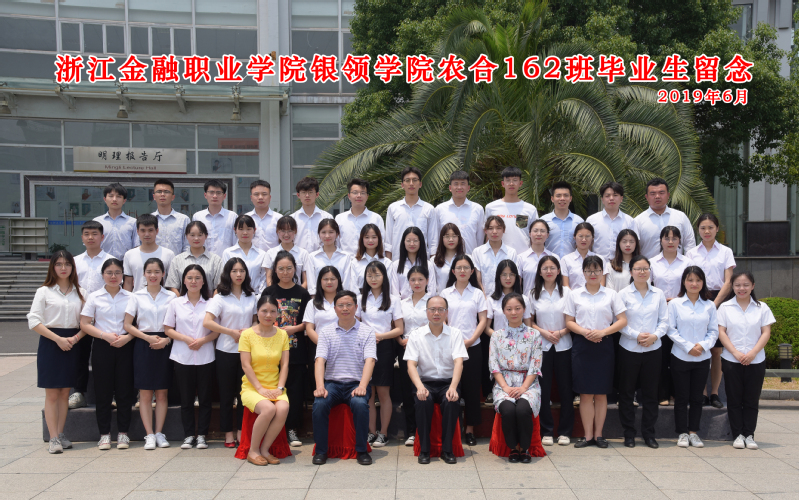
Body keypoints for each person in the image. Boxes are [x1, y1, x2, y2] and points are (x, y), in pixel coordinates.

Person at [564, 256, 628, 448]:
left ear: (602, 272)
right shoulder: (574, 294)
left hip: (604, 345)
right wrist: (585, 332)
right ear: (583, 273)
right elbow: (569, 321)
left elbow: (622, 320)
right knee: (585, 394)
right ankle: (588, 436)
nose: (593, 274)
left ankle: (599, 435)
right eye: (589, 271)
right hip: (582, 345)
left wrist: (603, 332)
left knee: (601, 394)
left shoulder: (611, 294)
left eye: (597, 270)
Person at [27, 250, 86, 454]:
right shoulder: (44, 291)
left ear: (73, 267)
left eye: (67, 264)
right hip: (51, 343)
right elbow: (34, 321)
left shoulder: (81, 292)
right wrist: (58, 339)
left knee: (65, 393)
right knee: (52, 393)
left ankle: (61, 434)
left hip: (72, 342)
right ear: (52, 267)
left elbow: (87, 322)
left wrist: (74, 338)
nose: (63, 268)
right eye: (59, 264)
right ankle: (53, 438)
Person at [312, 290, 377, 466]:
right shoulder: (326, 332)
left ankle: (361, 450)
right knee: (319, 404)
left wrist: (362, 386)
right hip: (332, 383)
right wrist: (320, 386)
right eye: (340, 305)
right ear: (335, 309)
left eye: (349, 305)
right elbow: (320, 360)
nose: (345, 308)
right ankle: (321, 451)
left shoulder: (367, 331)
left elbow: (370, 360)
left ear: (356, 307)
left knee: (360, 404)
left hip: (356, 383)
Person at [79, 258, 134, 451]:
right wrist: (104, 335)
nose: (113, 276)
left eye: (117, 272)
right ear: (102, 275)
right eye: (109, 272)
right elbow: (84, 324)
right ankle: (104, 434)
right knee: (103, 392)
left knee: (124, 391)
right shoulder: (95, 297)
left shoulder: (131, 297)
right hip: (103, 345)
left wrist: (127, 338)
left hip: (125, 346)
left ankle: (123, 433)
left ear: (122, 275)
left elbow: (138, 324)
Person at [405, 295, 468, 464]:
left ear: (447, 312)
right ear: (426, 312)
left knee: (451, 401)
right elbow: (411, 365)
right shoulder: (416, 335)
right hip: (424, 381)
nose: (436, 313)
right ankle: (425, 450)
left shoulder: (455, 334)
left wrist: (453, 387)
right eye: (432, 309)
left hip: (448, 382)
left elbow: (459, 362)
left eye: (441, 309)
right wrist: (419, 387)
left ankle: (447, 450)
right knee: (422, 401)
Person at [204, 257, 258, 448]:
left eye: (242, 270)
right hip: (225, 350)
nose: (238, 274)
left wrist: (249, 331)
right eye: (234, 271)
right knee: (226, 395)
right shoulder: (220, 297)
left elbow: (255, 320)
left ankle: (242, 432)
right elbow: (208, 322)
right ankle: (228, 433)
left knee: (244, 394)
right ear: (228, 273)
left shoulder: (251, 296)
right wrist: (231, 332)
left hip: (247, 351)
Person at [123, 257, 176, 451]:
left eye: (157, 272)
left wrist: (166, 340)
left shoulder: (171, 297)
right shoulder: (136, 296)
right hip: (143, 344)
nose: (153, 275)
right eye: (149, 272)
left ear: (163, 274)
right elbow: (127, 325)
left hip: (165, 343)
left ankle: (159, 432)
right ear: (144, 274)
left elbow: (177, 324)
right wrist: (147, 338)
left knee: (162, 393)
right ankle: (149, 434)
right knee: (145, 393)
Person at [717, 272, 775, 450]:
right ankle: (737, 435)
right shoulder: (725, 307)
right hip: (731, 359)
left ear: (753, 286)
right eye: (737, 285)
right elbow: (721, 332)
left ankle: (749, 434)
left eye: (746, 285)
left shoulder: (762, 308)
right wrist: (735, 353)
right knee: (734, 399)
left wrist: (752, 353)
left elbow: (766, 332)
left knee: (751, 399)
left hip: (756, 360)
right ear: (732, 287)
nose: (741, 288)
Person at [164, 264, 218, 450]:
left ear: (203, 281)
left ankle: (202, 435)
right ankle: (188, 435)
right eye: (189, 278)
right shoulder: (175, 303)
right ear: (184, 281)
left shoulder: (211, 304)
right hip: (182, 356)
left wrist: (203, 340)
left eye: (197, 278)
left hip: (206, 356)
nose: (193, 281)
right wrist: (186, 339)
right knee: (186, 399)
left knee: (205, 399)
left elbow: (216, 330)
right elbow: (168, 329)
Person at [617, 255, 668, 449]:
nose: (642, 272)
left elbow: (665, 321)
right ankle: (629, 434)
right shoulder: (623, 294)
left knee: (650, 394)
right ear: (631, 272)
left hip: (653, 349)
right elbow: (619, 322)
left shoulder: (658, 294)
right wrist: (636, 335)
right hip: (629, 348)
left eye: (645, 268)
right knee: (626, 393)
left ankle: (649, 434)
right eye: (638, 269)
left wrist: (654, 336)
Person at [686, 213, 736, 409]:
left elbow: (729, 282)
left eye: (710, 227)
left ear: (717, 229)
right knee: (700, 346)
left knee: (716, 349)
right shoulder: (691, 253)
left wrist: (714, 304)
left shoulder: (725, 251)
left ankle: (714, 393)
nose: (707, 231)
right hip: (697, 297)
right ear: (698, 230)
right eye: (703, 228)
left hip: (720, 299)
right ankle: (702, 393)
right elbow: (690, 279)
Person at [263, 250, 312, 448]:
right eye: (281, 268)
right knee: (274, 390)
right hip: (271, 352)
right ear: (275, 270)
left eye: (289, 268)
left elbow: (308, 322)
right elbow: (262, 318)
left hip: (296, 351)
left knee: (295, 392)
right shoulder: (269, 293)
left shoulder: (302, 293)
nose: (285, 272)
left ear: (295, 270)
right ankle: (274, 430)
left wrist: (295, 328)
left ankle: (292, 429)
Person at [667, 266, 718, 449]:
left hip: (702, 358)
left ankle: (693, 432)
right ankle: (682, 432)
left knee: (697, 398)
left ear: (703, 283)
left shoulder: (709, 305)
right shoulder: (675, 304)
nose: (694, 283)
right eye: (690, 280)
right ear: (684, 282)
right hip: (680, 356)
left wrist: (702, 346)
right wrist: (688, 347)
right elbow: (670, 329)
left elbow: (713, 331)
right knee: (681, 397)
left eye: (698, 280)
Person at [488, 293, 543, 463]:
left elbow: (535, 364)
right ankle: (513, 448)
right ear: (503, 311)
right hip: (504, 383)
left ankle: (524, 448)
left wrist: (524, 388)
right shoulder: (497, 336)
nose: (513, 312)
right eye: (509, 309)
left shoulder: (534, 335)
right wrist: (505, 387)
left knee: (523, 409)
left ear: (524, 309)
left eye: (517, 308)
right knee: (508, 410)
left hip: (528, 383)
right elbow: (494, 365)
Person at [441, 254, 488, 445]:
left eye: (466, 268)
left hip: (472, 346)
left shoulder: (477, 294)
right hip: (450, 347)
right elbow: (441, 319)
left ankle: (469, 430)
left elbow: (483, 320)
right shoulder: (445, 293)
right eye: (459, 268)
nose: (462, 271)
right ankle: (452, 428)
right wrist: (453, 339)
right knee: (451, 387)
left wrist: (471, 340)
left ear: (472, 271)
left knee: (471, 389)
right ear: (453, 271)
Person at [239, 294, 291, 465]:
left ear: (277, 313)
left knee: (283, 408)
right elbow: (246, 365)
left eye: (272, 311)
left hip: (275, 386)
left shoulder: (282, 335)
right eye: (264, 311)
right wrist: (260, 389)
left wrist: (280, 388)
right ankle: (253, 451)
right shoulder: (247, 335)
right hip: (252, 387)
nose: (268, 315)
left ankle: (265, 450)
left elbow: (284, 365)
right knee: (268, 409)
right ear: (257, 312)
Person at [357, 261, 404, 447]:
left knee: (383, 392)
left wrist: (380, 336)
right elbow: (356, 324)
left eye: (377, 275)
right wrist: (368, 336)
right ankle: (371, 432)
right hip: (364, 347)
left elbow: (399, 329)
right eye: (369, 275)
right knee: (368, 392)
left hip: (384, 347)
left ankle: (383, 433)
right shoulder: (360, 298)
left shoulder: (393, 299)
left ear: (384, 277)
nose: (373, 279)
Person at [529, 256, 573, 446]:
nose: (549, 271)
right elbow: (529, 321)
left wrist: (561, 332)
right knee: (543, 390)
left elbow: (573, 320)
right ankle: (546, 430)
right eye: (545, 268)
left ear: (558, 271)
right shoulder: (533, 293)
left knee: (566, 389)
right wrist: (544, 333)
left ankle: (565, 431)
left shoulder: (567, 293)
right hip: (542, 346)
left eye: (552, 268)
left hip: (564, 345)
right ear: (539, 272)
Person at [71, 221, 113, 410]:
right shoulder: (75, 261)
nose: (90, 237)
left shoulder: (111, 261)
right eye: (87, 234)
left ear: (102, 237)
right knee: (81, 355)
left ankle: (112, 394)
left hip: (106, 316)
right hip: (82, 316)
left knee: (108, 357)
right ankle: (79, 392)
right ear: (82, 237)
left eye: (94, 234)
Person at [651, 225, 690, 406]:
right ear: (661, 240)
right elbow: (647, 287)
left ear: (679, 241)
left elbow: (692, 286)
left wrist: (677, 299)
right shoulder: (652, 263)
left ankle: (677, 393)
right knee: (661, 355)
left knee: (678, 355)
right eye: (667, 238)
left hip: (680, 312)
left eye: (674, 238)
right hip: (658, 314)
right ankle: (662, 394)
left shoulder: (687, 263)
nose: (671, 242)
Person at [398, 265, 431, 447]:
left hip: (426, 349)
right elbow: (396, 326)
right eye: (413, 280)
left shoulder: (432, 302)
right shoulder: (402, 303)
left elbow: (437, 324)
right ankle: (411, 431)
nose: (416, 283)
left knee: (423, 388)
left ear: (427, 281)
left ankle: (424, 429)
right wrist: (400, 340)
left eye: (420, 279)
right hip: (405, 350)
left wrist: (415, 339)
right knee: (407, 391)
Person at [634, 178, 696, 259]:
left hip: (678, 265)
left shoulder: (680, 217)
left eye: (661, 193)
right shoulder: (638, 221)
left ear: (668, 195)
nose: (657, 196)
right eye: (653, 193)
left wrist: (688, 264)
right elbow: (634, 249)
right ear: (647, 197)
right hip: (649, 266)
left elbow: (690, 244)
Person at [386, 166, 437, 260]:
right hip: (398, 261)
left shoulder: (429, 209)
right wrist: (388, 264)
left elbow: (433, 241)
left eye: (415, 180)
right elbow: (388, 241)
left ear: (420, 184)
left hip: (422, 261)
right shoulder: (393, 208)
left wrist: (432, 264)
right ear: (402, 185)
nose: (411, 183)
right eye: (407, 180)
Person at [484, 167, 539, 254]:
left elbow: (535, 236)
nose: (511, 183)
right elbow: (487, 234)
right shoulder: (491, 207)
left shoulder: (530, 209)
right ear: (503, 183)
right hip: (498, 256)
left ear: (520, 183)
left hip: (522, 257)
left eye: (515, 180)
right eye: (508, 180)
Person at [165, 221, 224, 294]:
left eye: (200, 235)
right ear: (186, 236)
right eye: (192, 235)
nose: (196, 238)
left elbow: (219, 287)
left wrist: (212, 301)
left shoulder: (216, 260)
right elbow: (173, 286)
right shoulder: (177, 260)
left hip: (209, 300)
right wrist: (181, 300)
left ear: (206, 236)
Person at [435, 170, 485, 255]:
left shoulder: (477, 209)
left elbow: (480, 238)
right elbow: (436, 237)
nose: (459, 187)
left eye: (462, 184)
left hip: (470, 258)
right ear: (450, 188)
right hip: (446, 259)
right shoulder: (440, 209)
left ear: (468, 188)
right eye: (456, 184)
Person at [585, 182, 636, 261]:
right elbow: (587, 244)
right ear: (602, 199)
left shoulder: (629, 221)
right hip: (598, 265)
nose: (611, 198)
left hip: (622, 265)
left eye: (615, 195)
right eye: (607, 196)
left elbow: (634, 245)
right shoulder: (592, 220)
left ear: (621, 198)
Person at [123, 214, 175, 292]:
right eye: (143, 230)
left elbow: (171, 284)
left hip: (161, 298)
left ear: (157, 231)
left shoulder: (168, 254)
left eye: (150, 230)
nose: (147, 234)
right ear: (137, 231)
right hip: (137, 297)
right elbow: (128, 283)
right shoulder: (129, 255)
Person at [336, 178, 387, 256]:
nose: (359, 196)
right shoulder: (340, 219)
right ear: (349, 196)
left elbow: (381, 243)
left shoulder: (376, 218)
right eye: (355, 193)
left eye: (362, 193)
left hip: (369, 262)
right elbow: (336, 244)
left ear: (367, 196)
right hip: (345, 262)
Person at [473, 216, 518, 297]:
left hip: (507, 299)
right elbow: (478, 280)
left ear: (504, 230)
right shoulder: (477, 252)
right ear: (485, 231)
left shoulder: (511, 253)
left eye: (498, 228)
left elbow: (514, 278)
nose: (494, 232)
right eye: (490, 228)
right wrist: (484, 299)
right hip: (485, 298)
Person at [222, 214, 268, 294]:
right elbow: (225, 277)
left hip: (256, 296)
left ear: (254, 230)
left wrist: (260, 296)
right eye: (241, 229)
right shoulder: (228, 253)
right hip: (233, 296)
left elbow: (263, 279)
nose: (245, 233)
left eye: (248, 229)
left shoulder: (262, 254)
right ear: (235, 230)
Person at [309, 218, 356, 294]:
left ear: (337, 234)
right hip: (319, 298)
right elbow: (312, 285)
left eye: (331, 232)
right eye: (323, 232)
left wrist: (343, 297)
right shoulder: (312, 257)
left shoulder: (345, 257)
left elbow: (346, 283)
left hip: (341, 298)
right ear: (319, 234)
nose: (327, 236)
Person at [192, 180, 238, 258]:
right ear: (205, 195)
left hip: (225, 261)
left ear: (224, 196)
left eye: (218, 193)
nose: (215, 196)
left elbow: (236, 242)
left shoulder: (232, 217)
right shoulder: (198, 217)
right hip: (202, 261)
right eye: (211, 192)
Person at [263, 216, 311, 288]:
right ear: (277, 231)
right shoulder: (270, 253)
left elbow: (306, 281)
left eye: (290, 231)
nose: (286, 234)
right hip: (276, 293)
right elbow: (269, 280)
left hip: (297, 293)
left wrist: (297, 292)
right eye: (283, 231)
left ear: (295, 231)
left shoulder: (303, 253)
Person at [389, 226, 435, 299]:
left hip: (424, 304)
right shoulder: (396, 265)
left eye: (415, 240)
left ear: (421, 242)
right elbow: (395, 291)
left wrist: (422, 303)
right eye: (408, 241)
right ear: (403, 242)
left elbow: (431, 291)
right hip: (402, 304)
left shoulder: (428, 265)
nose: (412, 244)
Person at [94, 182, 137, 260]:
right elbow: (92, 245)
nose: (114, 199)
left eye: (118, 196)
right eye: (111, 196)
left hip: (125, 263)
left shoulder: (133, 222)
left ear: (124, 200)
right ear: (105, 199)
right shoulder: (97, 222)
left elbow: (136, 246)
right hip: (102, 262)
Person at [541, 181, 584, 258]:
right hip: (549, 263)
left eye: (566, 195)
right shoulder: (543, 221)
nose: (562, 199)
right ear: (552, 199)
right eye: (558, 196)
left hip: (572, 264)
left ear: (570, 198)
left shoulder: (579, 221)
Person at [560, 222, 609, 289]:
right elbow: (566, 286)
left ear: (592, 238)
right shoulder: (566, 260)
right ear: (574, 237)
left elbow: (602, 285)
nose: (584, 239)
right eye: (580, 236)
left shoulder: (600, 259)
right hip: (573, 295)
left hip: (596, 295)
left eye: (587, 236)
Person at [291, 176, 333, 253]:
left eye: (310, 192)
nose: (307, 195)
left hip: (321, 258)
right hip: (298, 258)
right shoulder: (293, 218)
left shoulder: (327, 217)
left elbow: (333, 240)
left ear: (317, 194)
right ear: (298, 195)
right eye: (304, 192)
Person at [150, 179, 190, 255]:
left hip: (176, 262)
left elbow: (187, 246)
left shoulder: (183, 220)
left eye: (166, 192)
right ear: (154, 196)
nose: (162, 194)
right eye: (159, 191)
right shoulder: (149, 220)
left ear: (173, 197)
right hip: (153, 262)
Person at [518, 219, 556, 295]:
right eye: (535, 231)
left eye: (542, 231)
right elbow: (517, 284)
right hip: (528, 300)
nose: (539, 234)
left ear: (547, 235)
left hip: (550, 300)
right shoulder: (521, 258)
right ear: (529, 234)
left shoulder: (554, 258)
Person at [351, 223, 393, 288]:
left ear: (379, 239)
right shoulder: (355, 263)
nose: (370, 240)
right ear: (362, 239)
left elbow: (389, 286)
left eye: (374, 237)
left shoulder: (387, 263)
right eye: (367, 237)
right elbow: (353, 287)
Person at [430, 223, 466, 294]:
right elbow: (432, 285)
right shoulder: (434, 260)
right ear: (442, 239)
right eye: (447, 236)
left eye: (454, 236)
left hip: (462, 298)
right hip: (440, 298)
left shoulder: (466, 259)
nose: (451, 239)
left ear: (459, 238)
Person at [246, 180, 280, 253]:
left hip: (273, 259)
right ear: (251, 198)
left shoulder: (278, 219)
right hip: (251, 259)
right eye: (256, 194)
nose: (260, 197)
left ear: (270, 197)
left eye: (264, 194)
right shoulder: (246, 218)